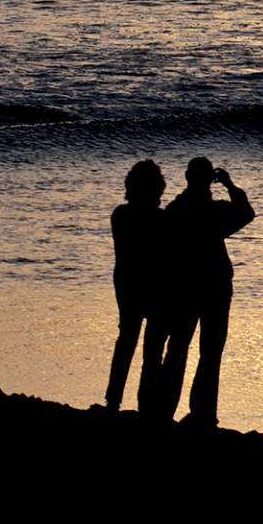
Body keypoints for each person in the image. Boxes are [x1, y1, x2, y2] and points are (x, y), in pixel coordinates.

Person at [155, 157, 253, 427]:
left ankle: (165, 409)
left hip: (185, 286)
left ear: (187, 178)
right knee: (209, 352)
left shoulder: (177, 209)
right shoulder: (214, 211)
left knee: (178, 348)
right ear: (211, 181)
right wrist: (231, 185)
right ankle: (202, 413)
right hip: (215, 286)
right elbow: (246, 213)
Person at [105, 159, 166, 412]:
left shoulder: (121, 214)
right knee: (152, 347)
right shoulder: (161, 219)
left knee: (127, 338)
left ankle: (113, 399)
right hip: (152, 284)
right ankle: (146, 404)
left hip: (126, 281)